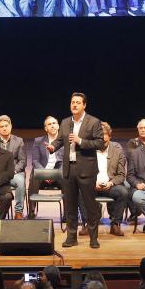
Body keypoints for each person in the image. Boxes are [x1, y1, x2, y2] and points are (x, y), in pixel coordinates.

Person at [47, 92, 106, 248]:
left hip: (86, 169)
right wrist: (53, 147)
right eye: (72, 102)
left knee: (89, 205)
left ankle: (93, 237)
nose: (74, 105)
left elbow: (100, 143)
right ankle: (71, 237)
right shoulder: (66, 122)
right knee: (70, 205)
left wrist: (81, 141)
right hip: (69, 169)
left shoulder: (93, 122)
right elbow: (60, 139)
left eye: (78, 102)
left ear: (84, 105)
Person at [95, 122, 129, 236]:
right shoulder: (88, 149)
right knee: (80, 190)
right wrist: (92, 183)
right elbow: (82, 171)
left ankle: (115, 224)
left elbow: (121, 174)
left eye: (104, 134)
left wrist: (111, 183)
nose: (102, 138)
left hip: (110, 186)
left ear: (110, 136)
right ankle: (87, 223)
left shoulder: (117, 150)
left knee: (123, 192)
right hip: (92, 185)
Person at [0, 115, 27, 219]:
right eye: (2, 126)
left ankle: (18, 211)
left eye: (6, 125)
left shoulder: (19, 141)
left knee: (20, 181)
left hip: (14, 172)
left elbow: (22, 161)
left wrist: (14, 171)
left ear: (11, 126)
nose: (4, 128)